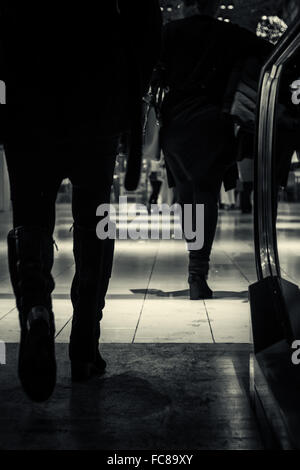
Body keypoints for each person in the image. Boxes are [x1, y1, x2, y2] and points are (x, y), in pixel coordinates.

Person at [0, 1, 162, 402]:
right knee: (94, 219)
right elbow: (145, 20)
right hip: (96, 91)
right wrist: (131, 93)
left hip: (27, 89)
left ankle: (35, 299)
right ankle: (85, 342)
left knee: (31, 215)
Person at [159, 0, 272, 300]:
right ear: (209, 6)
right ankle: (198, 274)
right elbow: (266, 52)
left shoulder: (170, 32)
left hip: (176, 125)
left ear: (189, 5)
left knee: (185, 196)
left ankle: (193, 263)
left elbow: (150, 69)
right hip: (214, 122)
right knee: (206, 194)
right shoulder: (229, 34)